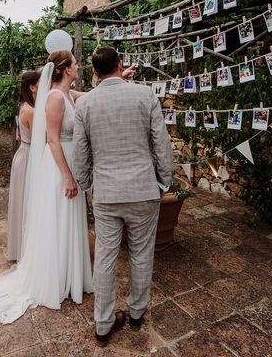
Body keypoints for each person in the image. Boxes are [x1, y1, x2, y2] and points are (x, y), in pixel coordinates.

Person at [0, 50, 94, 323]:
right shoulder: (55, 98)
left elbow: (90, 97)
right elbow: (52, 141)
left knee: (68, 220)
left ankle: (69, 275)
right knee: (59, 219)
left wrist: (118, 80)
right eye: (76, 63)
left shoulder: (69, 94)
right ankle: (56, 278)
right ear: (66, 69)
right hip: (59, 166)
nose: (79, 66)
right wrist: (67, 176)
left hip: (71, 162)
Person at [72, 46, 172, 346]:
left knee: (105, 257)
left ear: (93, 72)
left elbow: (80, 154)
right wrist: (163, 182)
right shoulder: (145, 95)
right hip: (143, 189)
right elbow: (161, 142)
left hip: (105, 192)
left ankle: (103, 324)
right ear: (121, 64)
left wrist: (89, 185)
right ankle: (137, 312)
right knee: (142, 253)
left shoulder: (85, 104)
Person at [6, 69, 41, 261]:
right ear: (32, 87)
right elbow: (41, 141)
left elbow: (20, 135)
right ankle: (28, 251)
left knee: (23, 202)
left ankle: (21, 248)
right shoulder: (32, 111)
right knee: (28, 203)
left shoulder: (23, 106)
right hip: (29, 158)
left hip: (23, 154)